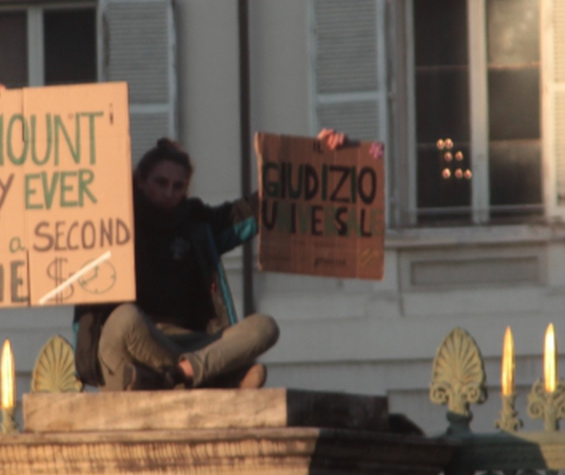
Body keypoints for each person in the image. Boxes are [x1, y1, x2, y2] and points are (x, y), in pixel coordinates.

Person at [77, 128, 379, 392]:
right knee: (128, 317)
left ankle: (173, 376)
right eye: (160, 183)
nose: (169, 192)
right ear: (140, 181)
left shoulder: (196, 224)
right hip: (126, 346)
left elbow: (256, 209)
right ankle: (209, 376)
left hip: (189, 344)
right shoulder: (111, 218)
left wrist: (315, 158)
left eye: (177, 186)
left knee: (264, 327)